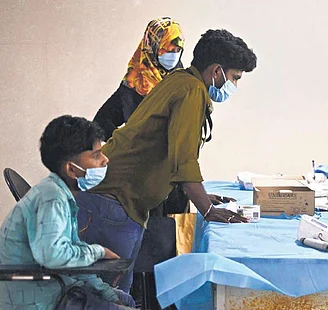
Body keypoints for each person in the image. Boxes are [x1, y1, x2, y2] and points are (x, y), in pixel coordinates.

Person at [75, 29, 257, 293]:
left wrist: (203, 196)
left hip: (115, 199)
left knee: (114, 293)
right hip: (113, 202)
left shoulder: (180, 80)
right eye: (234, 78)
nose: (234, 86)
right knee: (107, 297)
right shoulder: (191, 91)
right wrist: (207, 209)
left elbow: (175, 154)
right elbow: (183, 159)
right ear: (217, 71)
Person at [0, 115, 136, 309]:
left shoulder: (60, 194)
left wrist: (106, 292)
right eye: (96, 155)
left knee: (125, 300)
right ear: (72, 170)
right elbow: (54, 256)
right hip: (34, 298)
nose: (105, 160)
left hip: (52, 284)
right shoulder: (52, 198)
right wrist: (98, 251)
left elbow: (73, 261)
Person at [93, 17, 185, 140]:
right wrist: (123, 143)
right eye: (166, 49)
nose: (173, 55)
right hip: (141, 157)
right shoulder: (133, 84)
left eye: (177, 50)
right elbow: (101, 123)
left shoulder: (181, 79)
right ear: (153, 46)